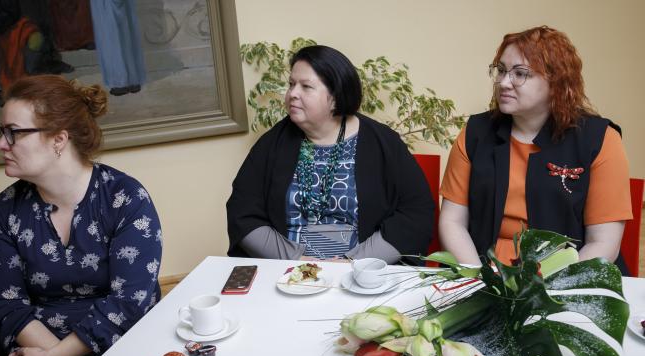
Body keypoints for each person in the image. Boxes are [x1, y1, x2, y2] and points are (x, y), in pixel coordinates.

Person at [0, 75, 162, 356]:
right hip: (39, 350)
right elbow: (7, 306)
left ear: (59, 139)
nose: (1, 143)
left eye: (14, 133)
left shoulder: (125, 198)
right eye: (2, 132)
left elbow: (129, 301)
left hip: (127, 342)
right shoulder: (4, 211)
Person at [439, 26, 632, 272]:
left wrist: (543, 289)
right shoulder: (475, 132)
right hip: (483, 270)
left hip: (570, 276)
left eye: (520, 73)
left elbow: (603, 243)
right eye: (501, 70)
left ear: (556, 82)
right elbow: (452, 222)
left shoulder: (600, 139)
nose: (504, 83)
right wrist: (477, 277)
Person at [226, 45, 434, 264]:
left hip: (362, 272)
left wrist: (354, 262)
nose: (292, 93)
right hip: (290, 271)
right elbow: (242, 211)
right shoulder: (272, 144)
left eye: (306, 86)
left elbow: (416, 212)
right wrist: (297, 261)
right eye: (291, 84)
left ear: (336, 96)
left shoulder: (383, 142)